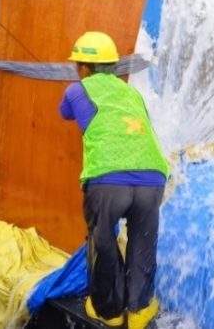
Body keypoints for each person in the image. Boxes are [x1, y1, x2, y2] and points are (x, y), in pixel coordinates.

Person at [59, 31, 169, 329]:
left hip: (107, 181)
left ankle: (108, 311)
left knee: (103, 240)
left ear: (83, 67)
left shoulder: (76, 90)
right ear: (112, 66)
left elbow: (64, 113)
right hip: (152, 177)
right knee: (143, 242)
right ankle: (140, 310)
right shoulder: (132, 93)